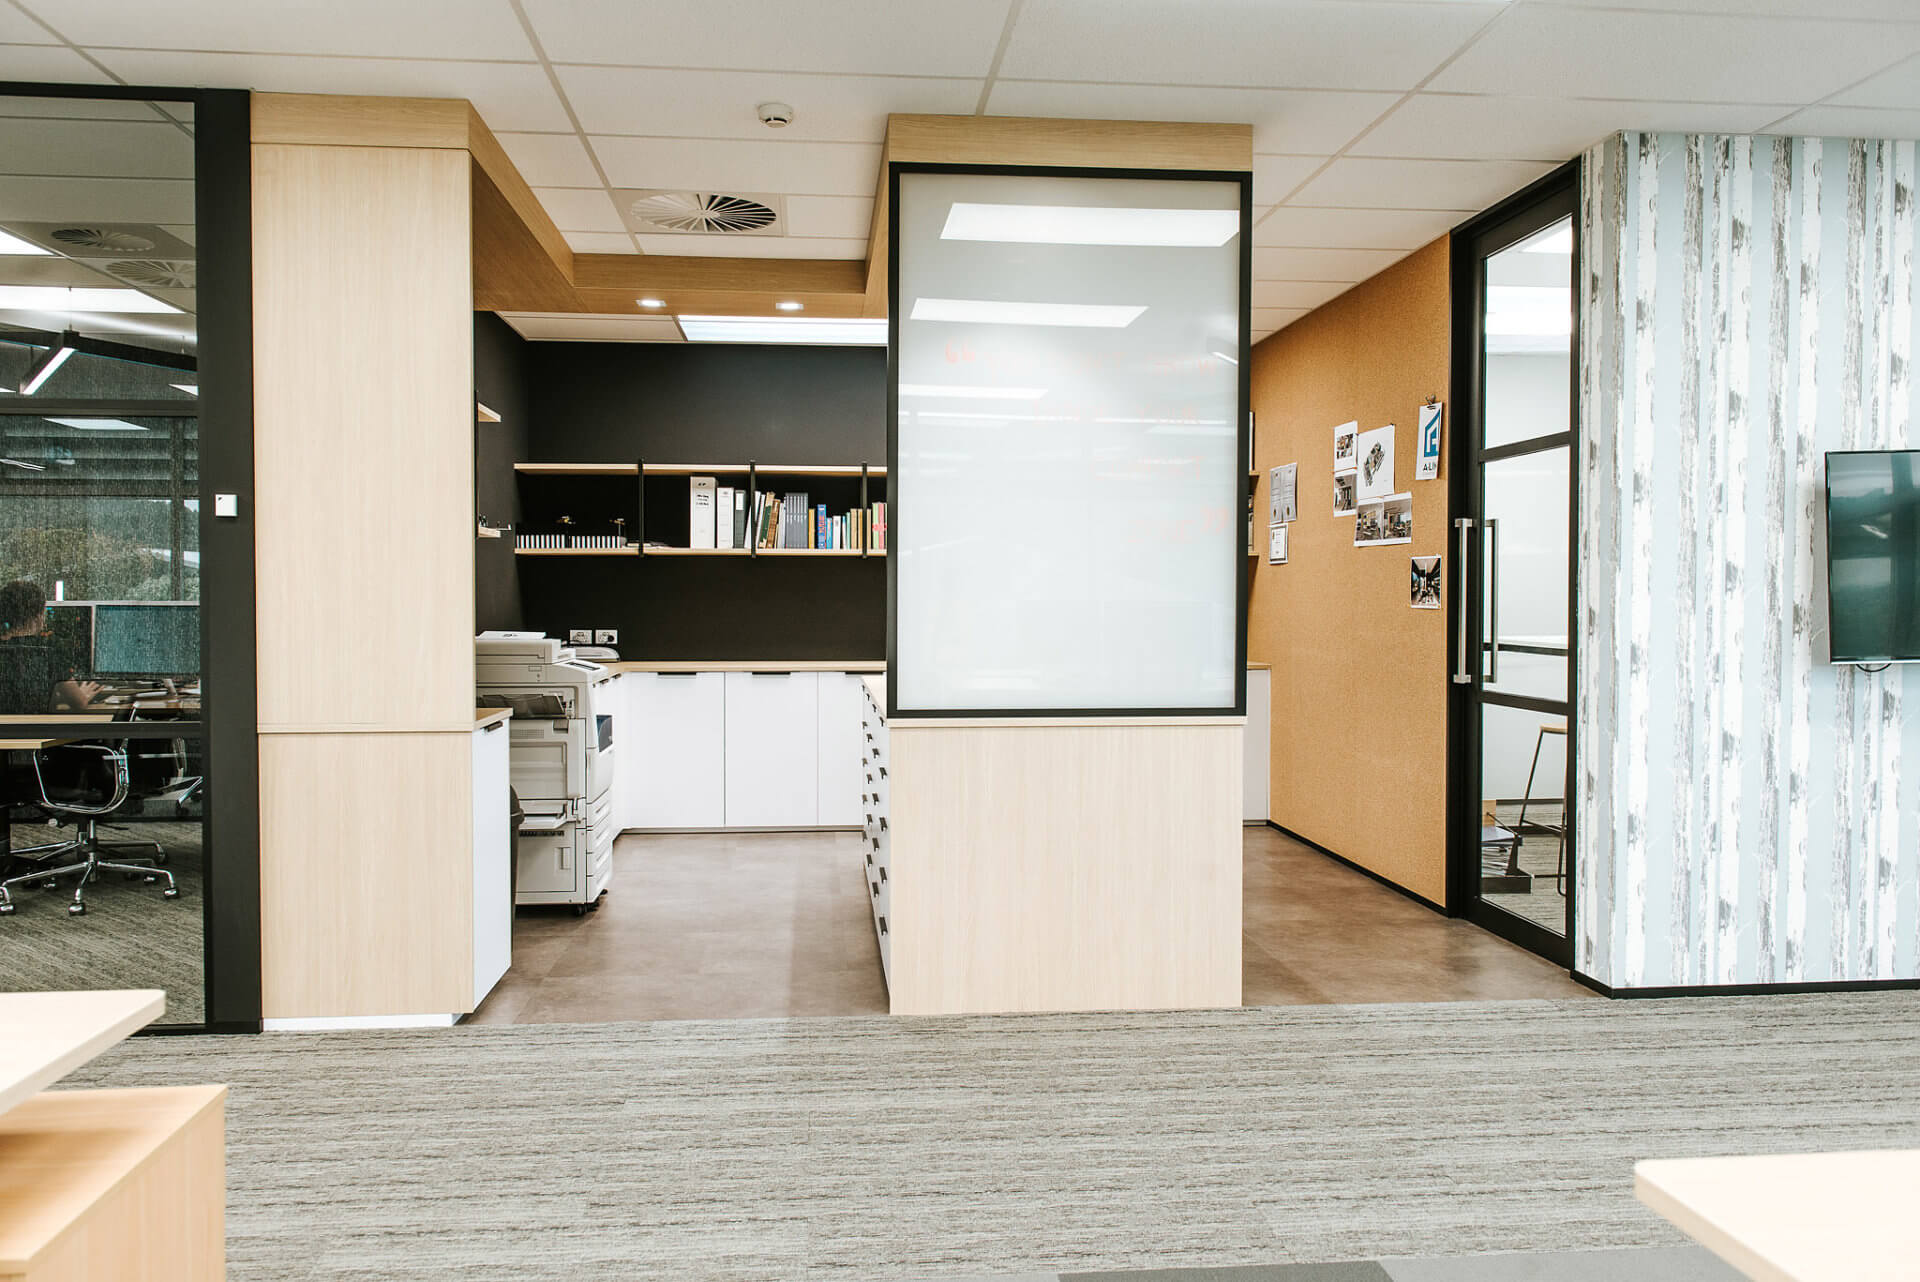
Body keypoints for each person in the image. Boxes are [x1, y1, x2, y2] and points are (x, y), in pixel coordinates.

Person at [0, 580, 102, 714]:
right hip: (35, 731)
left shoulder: (5, 650)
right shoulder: (47, 652)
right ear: (38, 617)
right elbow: (79, 703)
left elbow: (17, 699)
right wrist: (84, 694)